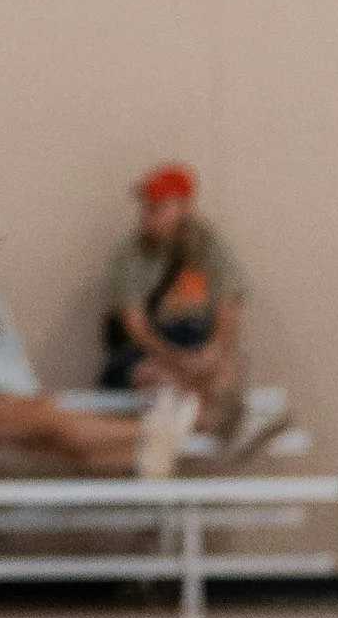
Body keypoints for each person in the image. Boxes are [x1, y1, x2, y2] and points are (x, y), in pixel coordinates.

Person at [0, 208, 192, 476]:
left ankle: (145, 460)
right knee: (49, 420)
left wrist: (29, 394)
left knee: (57, 434)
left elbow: (10, 354)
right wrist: (28, 401)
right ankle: (152, 431)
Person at [101, 164, 250, 432]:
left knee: (230, 370)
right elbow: (136, 328)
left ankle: (210, 425)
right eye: (146, 206)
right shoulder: (129, 255)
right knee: (160, 381)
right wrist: (175, 358)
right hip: (147, 351)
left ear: (184, 207)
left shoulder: (209, 248)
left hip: (196, 340)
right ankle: (211, 427)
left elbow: (229, 307)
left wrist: (214, 351)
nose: (148, 214)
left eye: (158, 206)